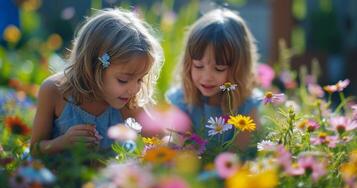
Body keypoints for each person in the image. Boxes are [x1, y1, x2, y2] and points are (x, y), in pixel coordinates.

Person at [30, 8, 163, 156]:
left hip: (107, 178)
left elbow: (161, 140)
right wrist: (63, 142)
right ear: (94, 67)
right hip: (60, 175)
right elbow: (35, 150)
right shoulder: (54, 91)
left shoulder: (127, 103)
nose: (134, 89)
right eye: (123, 80)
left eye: (140, 79)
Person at [166, 9, 261, 153]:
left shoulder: (247, 106)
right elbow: (185, 152)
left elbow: (238, 156)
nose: (207, 77)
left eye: (219, 68)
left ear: (239, 69)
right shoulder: (182, 101)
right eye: (198, 66)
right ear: (188, 64)